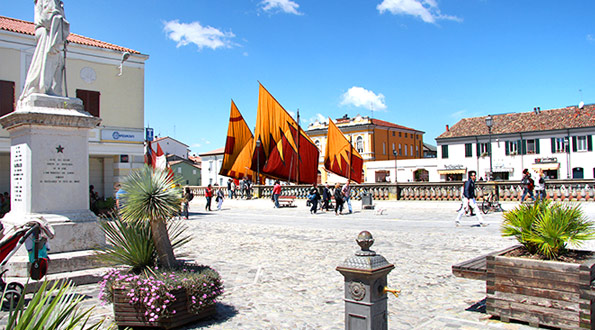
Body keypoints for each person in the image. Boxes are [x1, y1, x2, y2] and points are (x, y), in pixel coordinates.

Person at [20, 0, 70, 100]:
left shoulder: (58, 2)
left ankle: (48, 87)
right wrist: (58, 17)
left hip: (53, 33)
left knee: (55, 62)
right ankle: (44, 87)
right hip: (46, 33)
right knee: (46, 58)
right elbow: (46, 19)